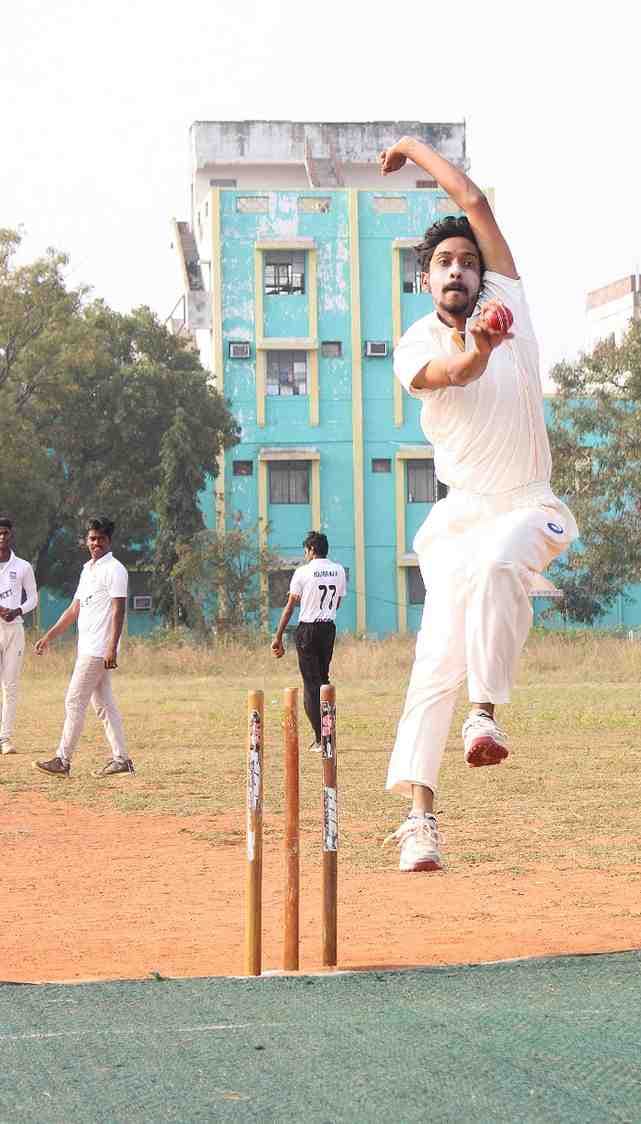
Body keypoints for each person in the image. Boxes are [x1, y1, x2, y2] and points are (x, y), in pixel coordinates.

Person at [378, 135, 578, 872]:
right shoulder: (413, 343)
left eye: (467, 259)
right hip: (458, 515)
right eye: (442, 263)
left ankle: (485, 714)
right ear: (424, 280)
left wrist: (411, 149)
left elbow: (473, 201)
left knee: (502, 562)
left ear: (481, 271)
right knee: (433, 664)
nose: (457, 269)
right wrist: (480, 352)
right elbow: (450, 373)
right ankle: (419, 821)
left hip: (527, 503)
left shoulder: (509, 301)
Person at [34, 517, 135, 777]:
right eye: (92, 538)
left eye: (101, 538)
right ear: (86, 540)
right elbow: (73, 609)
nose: (96, 543)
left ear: (109, 541)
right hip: (88, 646)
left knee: (74, 700)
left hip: (99, 649)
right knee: (104, 705)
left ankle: (62, 760)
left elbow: (118, 609)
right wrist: (50, 636)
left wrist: (112, 647)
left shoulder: (115, 569)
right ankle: (121, 759)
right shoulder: (88, 569)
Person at [271, 531, 347, 751]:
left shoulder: (303, 572)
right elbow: (337, 605)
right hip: (328, 629)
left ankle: (320, 739)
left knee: (310, 686)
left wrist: (278, 636)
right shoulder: (339, 570)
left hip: (308, 629)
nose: (305, 555)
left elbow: (290, 606)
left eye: (306, 551)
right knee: (324, 681)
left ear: (312, 550)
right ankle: (328, 734)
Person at [0, 516, 38, 754]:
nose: (2, 537)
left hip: (14, 629)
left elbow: (33, 598)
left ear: (11, 535)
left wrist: (17, 610)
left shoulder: (23, 566)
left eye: (5, 533)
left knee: (10, 685)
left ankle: (4, 738)